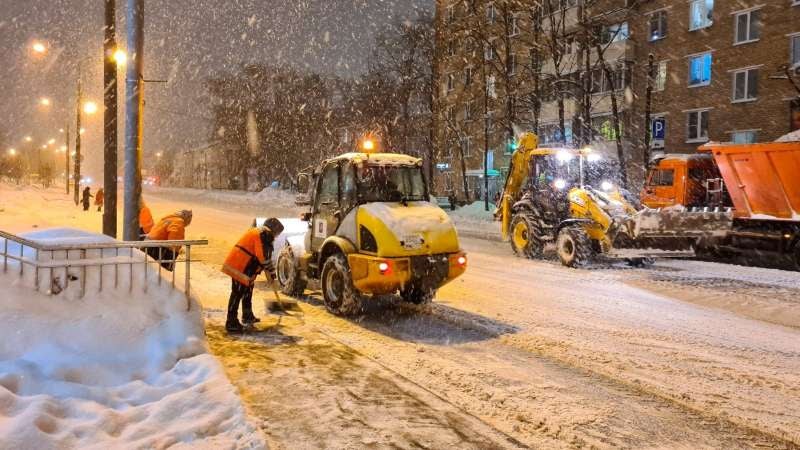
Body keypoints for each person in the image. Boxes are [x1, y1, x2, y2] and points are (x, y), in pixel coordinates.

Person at [222, 218, 284, 333]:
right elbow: (263, 258)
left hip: (245, 267)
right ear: (273, 230)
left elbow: (263, 257)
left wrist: (270, 273)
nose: (276, 237)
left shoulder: (261, 233)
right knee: (237, 293)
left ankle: (247, 315)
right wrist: (271, 272)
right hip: (240, 266)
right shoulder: (263, 235)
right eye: (277, 233)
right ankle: (231, 322)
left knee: (247, 290)